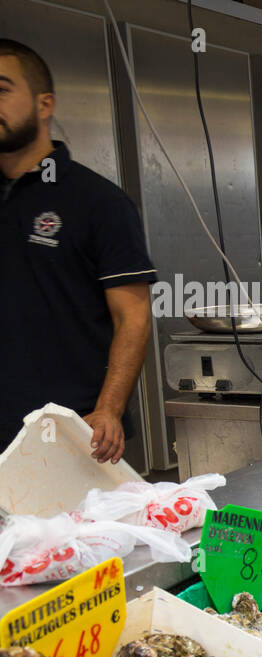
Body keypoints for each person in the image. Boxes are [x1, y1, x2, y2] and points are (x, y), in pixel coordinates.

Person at [0, 40, 154, 463]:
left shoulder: (97, 202)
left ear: (44, 103)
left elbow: (133, 315)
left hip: (72, 436)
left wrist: (109, 409)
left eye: (1, 89)